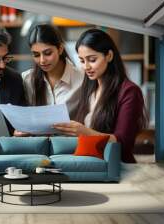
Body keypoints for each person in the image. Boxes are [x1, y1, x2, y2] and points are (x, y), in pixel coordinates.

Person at [53, 29, 147, 163]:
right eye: (81, 60)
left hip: (116, 166)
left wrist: (85, 132)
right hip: (89, 165)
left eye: (92, 60)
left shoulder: (129, 91)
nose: (86, 67)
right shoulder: (89, 88)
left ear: (109, 55)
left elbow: (123, 143)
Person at [21, 24, 84, 120]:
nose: (42, 60)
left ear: (60, 49)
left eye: (47, 53)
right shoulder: (27, 79)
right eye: (36, 55)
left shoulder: (82, 79)